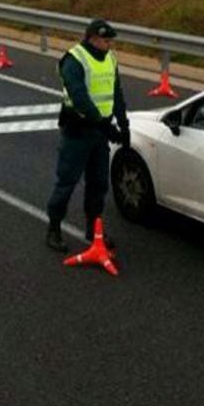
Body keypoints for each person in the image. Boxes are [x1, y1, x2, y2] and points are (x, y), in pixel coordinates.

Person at [45, 19, 130, 252]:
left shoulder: (110, 59)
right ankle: (53, 228)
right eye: (106, 40)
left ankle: (94, 230)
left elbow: (116, 93)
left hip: (99, 134)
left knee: (98, 183)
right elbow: (79, 97)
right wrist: (105, 125)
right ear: (92, 38)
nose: (109, 45)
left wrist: (124, 125)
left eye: (111, 40)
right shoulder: (74, 60)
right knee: (67, 181)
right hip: (77, 132)